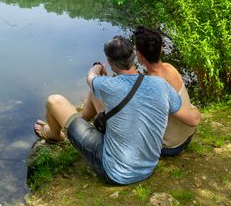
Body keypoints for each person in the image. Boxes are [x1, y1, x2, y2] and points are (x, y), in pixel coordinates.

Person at [33, 35, 200, 185]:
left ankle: (53, 134)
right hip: (148, 167)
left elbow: (90, 77)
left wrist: (97, 67)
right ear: (134, 57)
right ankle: (80, 121)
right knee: (96, 92)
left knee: (54, 101)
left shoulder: (108, 85)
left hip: (115, 171)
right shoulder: (160, 85)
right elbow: (191, 117)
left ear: (111, 62)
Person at [134, 26, 201, 156]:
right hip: (188, 135)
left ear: (139, 55)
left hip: (171, 147)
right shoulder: (170, 67)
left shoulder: (151, 86)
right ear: (161, 49)